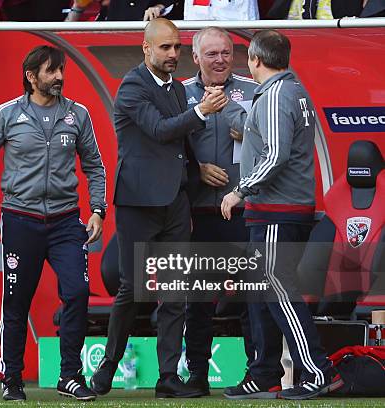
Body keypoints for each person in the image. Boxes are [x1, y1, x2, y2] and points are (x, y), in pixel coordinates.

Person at [90, 18, 228, 398]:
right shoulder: (132, 86)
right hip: (138, 202)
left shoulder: (177, 91)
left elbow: (179, 141)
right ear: (146, 48)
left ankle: (168, 377)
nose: (172, 54)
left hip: (175, 201)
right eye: (165, 47)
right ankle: (109, 366)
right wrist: (201, 112)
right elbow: (159, 129)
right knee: (133, 290)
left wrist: (197, 167)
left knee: (175, 290)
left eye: (177, 47)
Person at [0, 45, 107, 402]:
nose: (59, 77)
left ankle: (69, 376)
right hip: (20, 221)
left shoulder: (78, 114)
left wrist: (98, 209)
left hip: (66, 222)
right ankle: (12, 379)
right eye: (51, 71)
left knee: (77, 292)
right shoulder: (6, 113)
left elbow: (95, 166)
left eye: (61, 71)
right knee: (16, 300)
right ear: (31, 76)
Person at [221, 30, 341, 400]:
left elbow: (275, 155)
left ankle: (318, 370)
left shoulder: (275, 95)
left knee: (278, 292)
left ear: (255, 59)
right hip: (276, 208)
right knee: (261, 294)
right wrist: (227, 108)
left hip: (277, 209)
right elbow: (261, 136)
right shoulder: (288, 92)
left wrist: (240, 190)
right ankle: (264, 373)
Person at [182, 26, 258, 396]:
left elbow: (266, 143)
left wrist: (240, 124)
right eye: (211, 54)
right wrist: (195, 170)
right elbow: (164, 147)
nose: (220, 60)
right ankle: (196, 375)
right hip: (198, 215)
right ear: (195, 57)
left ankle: (257, 373)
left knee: (250, 299)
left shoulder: (252, 91)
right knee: (198, 301)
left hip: (243, 214)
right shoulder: (178, 94)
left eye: (226, 52)